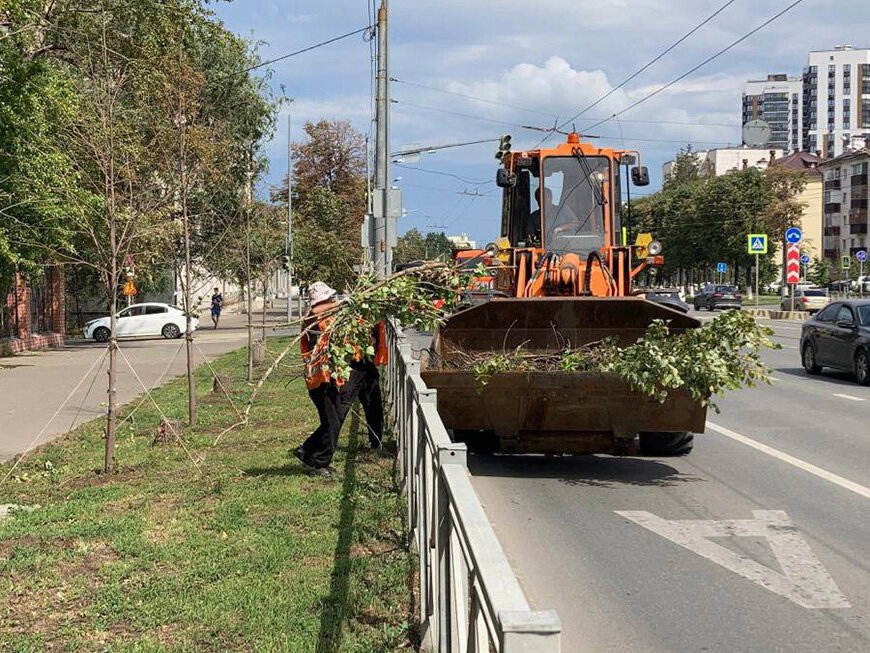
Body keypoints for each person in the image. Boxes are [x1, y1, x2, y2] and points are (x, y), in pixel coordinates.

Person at [295, 281, 344, 476]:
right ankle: (319, 463)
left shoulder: (325, 315)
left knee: (335, 418)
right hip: (317, 380)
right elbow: (318, 312)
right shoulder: (313, 316)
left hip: (326, 376)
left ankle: (306, 450)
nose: (333, 300)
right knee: (332, 422)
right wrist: (343, 303)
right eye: (329, 297)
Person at [337, 321, 388, 451]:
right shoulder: (358, 314)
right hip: (355, 363)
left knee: (374, 404)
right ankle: (318, 446)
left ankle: (376, 444)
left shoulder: (375, 314)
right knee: (342, 406)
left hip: (367, 364)